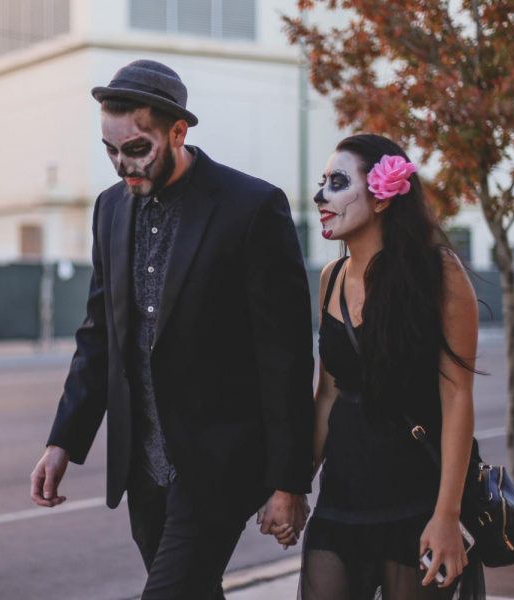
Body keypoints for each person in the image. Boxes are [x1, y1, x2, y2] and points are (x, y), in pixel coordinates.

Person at [29, 59, 316, 599]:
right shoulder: (109, 209)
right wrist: (63, 440)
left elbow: (286, 357)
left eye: (136, 148)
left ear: (178, 131)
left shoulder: (251, 207)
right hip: (143, 466)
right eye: (110, 150)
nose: (122, 164)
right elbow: (100, 335)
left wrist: (289, 481)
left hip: (220, 465)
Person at [283, 133, 486, 599]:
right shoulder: (330, 279)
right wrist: (294, 487)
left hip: (418, 508)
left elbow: (457, 397)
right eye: (321, 183)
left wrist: (447, 516)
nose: (320, 196)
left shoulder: (440, 274)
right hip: (341, 504)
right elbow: (328, 394)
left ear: (380, 197)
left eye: (337, 182)